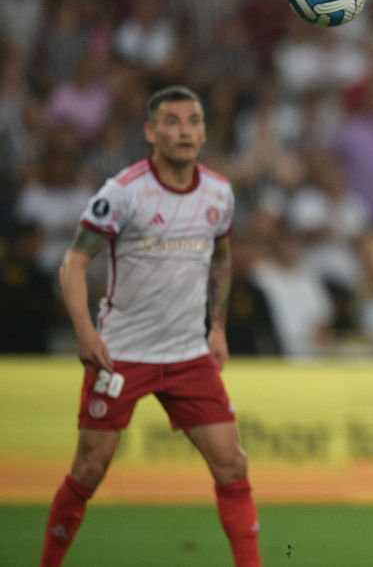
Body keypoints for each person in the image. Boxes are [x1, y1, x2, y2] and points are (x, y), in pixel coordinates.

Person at [40, 85, 262, 566]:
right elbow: (73, 264)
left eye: (194, 122)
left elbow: (221, 259)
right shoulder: (123, 193)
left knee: (232, 464)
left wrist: (216, 328)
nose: (185, 131)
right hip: (122, 354)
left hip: (186, 354)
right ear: (150, 131)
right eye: (173, 122)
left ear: (204, 131)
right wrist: (86, 333)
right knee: (90, 468)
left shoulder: (219, 193)